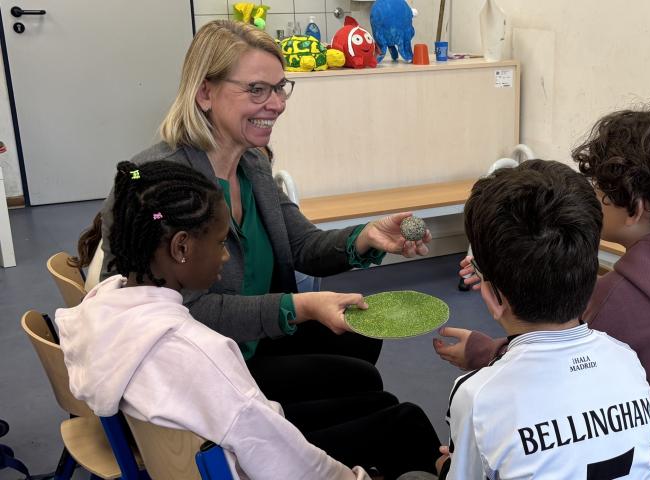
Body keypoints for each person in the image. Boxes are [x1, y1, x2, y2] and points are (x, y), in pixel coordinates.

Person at [73, 20, 435, 447]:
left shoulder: (253, 164)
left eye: (281, 87)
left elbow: (300, 244)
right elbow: (183, 315)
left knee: (360, 345)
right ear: (205, 93)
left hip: (247, 342)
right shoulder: (160, 188)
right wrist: (297, 306)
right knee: (374, 392)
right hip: (208, 368)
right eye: (257, 90)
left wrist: (366, 238)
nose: (277, 104)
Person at [435, 108, 650, 480]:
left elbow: (554, 370)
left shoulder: (618, 299)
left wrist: (483, 353)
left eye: (600, 189)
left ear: (635, 209)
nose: (594, 195)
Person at [58, 160, 440, 479]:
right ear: (182, 247)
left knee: (380, 401)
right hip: (238, 463)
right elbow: (288, 463)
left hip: (178, 451)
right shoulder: (203, 351)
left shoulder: (95, 308)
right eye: (222, 243)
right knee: (406, 421)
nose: (225, 257)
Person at [436, 159, 650, 479]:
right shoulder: (627, 360)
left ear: (494, 298)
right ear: (590, 276)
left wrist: (447, 467)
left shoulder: (476, 395)